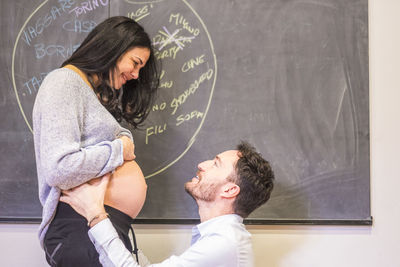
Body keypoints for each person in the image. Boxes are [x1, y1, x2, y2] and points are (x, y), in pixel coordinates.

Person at [32, 16, 159, 266]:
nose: (135, 75)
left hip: (96, 228)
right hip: (80, 229)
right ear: (113, 47)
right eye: (135, 63)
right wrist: (119, 149)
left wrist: (122, 139)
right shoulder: (64, 82)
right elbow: (60, 168)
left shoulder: (86, 90)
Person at [61, 141, 275, 267]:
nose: (202, 165)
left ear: (229, 190)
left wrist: (95, 214)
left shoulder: (225, 242)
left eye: (216, 164)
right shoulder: (223, 237)